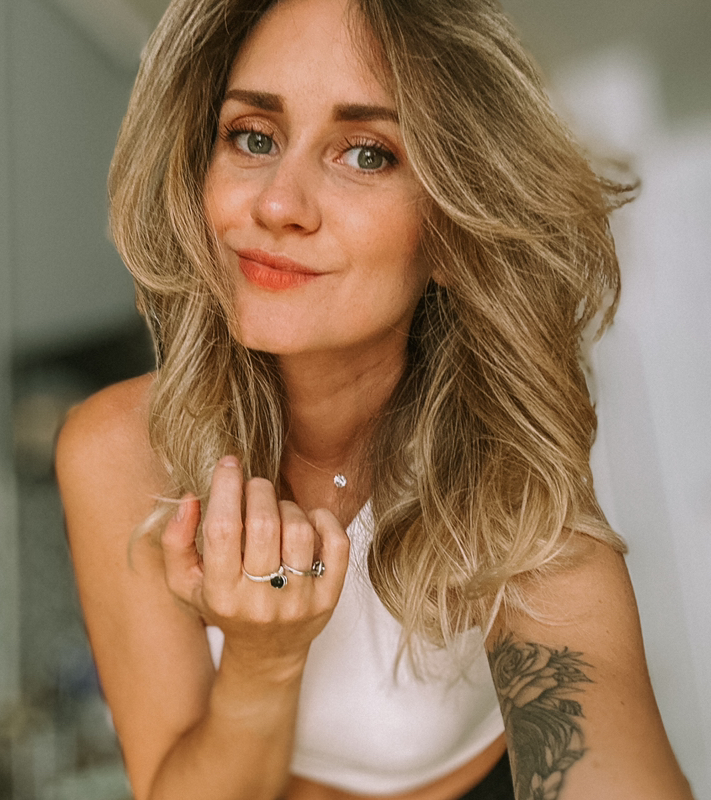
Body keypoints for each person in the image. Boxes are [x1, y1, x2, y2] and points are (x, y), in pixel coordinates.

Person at [55, 0, 695, 798]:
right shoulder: (117, 451)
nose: (277, 204)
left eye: (366, 154)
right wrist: (263, 660)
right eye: (253, 137)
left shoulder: (513, 490)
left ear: (454, 227)